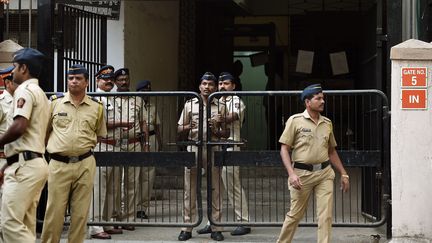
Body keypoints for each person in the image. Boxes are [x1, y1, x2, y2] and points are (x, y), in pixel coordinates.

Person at [41, 64, 107, 243]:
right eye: (71, 78)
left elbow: (99, 134)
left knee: (80, 214)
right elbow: (44, 132)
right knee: (54, 212)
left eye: (78, 78)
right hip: (58, 164)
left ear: (86, 82)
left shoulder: (97, 107)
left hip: (85, 163)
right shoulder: (55, 102)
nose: (74, 81)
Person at [277, 84, 350, 243]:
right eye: (318, 98)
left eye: (323, 98)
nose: (323, 101)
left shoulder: (327, 123)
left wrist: (343, 173)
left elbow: (331, 151)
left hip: (324, 173)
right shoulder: (295, 121)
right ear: (307, 102)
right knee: (295, 215)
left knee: (326, 216)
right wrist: (291, 174)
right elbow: (284, 149)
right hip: (301, 175)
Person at [0, 48, 50, 242]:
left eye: (14, 67)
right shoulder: (41, 94)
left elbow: (19, 126)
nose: (12, 72)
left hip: (26, 166)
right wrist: (9, 163)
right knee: (25, 223)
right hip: (32, 162)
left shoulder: (25, 90)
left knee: (10, 223)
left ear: (24, 68)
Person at [196, 72, 251, 236]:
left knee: (232, 184)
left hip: (230, 145)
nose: (222, 86)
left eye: (226, 83)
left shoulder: (236, 100)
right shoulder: (216, 101)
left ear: (233, 86)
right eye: (220, 84)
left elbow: (233, 116)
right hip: (215, 146)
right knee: (214, 187)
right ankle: (212, 222)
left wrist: (219, 118)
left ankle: (244, 221)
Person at [177, 72, 227, 241]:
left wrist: (217, 127)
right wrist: (188, 126)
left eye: (210, 84)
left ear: (215, 87)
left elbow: (225, 132)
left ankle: (216, 227)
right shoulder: (190, 104)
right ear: (199, 86)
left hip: (213, 147)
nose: (207, 87)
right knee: (189, 188)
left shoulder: (220, 105)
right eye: (204, 84)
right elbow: (179, 128)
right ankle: (187, 227)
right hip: (194, 147)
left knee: (216, 188)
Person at [89, 65, 124, 239]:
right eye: (105, 79)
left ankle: (107, 222)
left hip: (115, 146)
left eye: (111, 78)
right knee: (99, 188)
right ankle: (95, 226)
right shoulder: (95, 99)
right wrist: (121, 124)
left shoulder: (113, 98)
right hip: (101, 145)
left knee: (112, 188)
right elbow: (98, 124)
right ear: (97, 81)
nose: (109, 81)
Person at [113, 68, 149, 230]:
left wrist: (146, 144)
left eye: (126, 79)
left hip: (134, 143)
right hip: (115, 143)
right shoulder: (109, 98)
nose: (124, 82)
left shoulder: (138, 99)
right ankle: (115, 216)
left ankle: (129, 217)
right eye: (120, 79)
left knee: (132, 182)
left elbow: (143, 123)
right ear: (115, 82)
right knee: (114, 182)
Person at [135, 80, 161, 220]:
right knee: (132, 174)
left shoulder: (152, 106)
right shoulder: (132, 104)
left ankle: (142, 208)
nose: (146, 94)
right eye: (144, 91)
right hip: (136, 140)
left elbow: (157, 127)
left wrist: (160, 143)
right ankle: (129, 206)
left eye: (148, 92)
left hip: (151, 138)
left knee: (148, 175)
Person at [0, 66, 17, 237]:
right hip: (3, 157)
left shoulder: (23, 100)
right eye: (16, 81)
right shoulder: (1, 102)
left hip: (19, 159)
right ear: (8, 82)